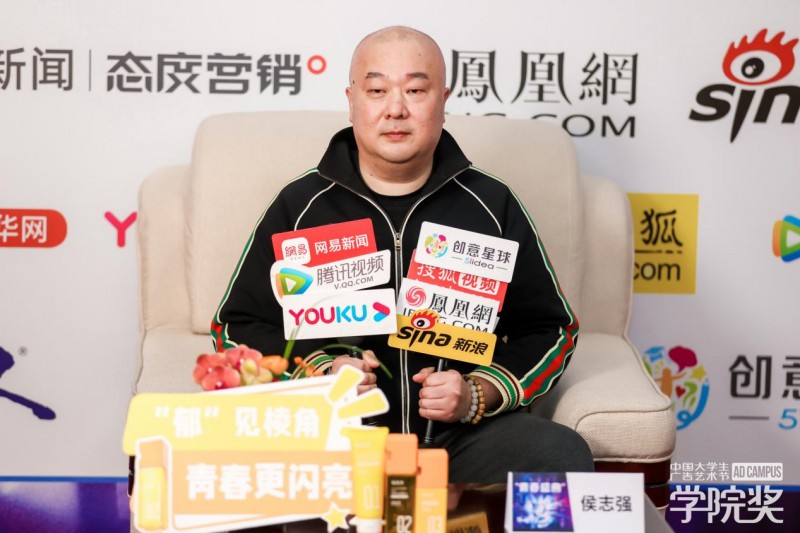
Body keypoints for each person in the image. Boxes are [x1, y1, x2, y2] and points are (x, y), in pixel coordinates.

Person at [211, 26, 593, 482]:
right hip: (336, 439)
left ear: (443, 101)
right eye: (377, 90)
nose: (395, 109)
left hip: (458, 441)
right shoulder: (302, 205)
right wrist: (319, 374)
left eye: (415, 90)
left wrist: (479, 392)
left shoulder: (491, 204)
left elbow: (550, 328)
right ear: (352, 100)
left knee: (558, 450)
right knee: (221, 451)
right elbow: (236, 325)